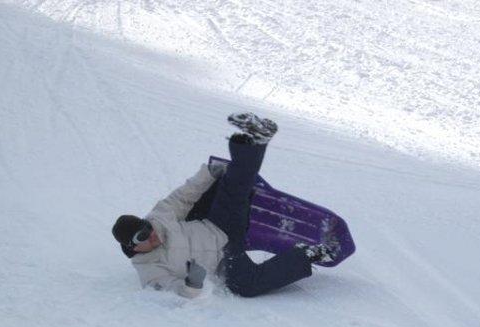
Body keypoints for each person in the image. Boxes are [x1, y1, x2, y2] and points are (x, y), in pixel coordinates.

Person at [112, 113, 336, 298]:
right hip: (226, 259)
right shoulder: (149, 271)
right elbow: (176, 290)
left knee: (235, 185)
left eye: (147, 228)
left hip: (218, 224)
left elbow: (183, 197)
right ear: (132, 247)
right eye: (143, 237)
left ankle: (254, 138)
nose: (151, 234)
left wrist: (208, 173)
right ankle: (312, 254)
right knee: (246, 286)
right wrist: (192, 283)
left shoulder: (158, 218)